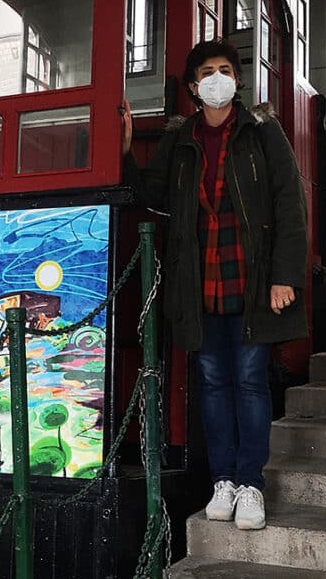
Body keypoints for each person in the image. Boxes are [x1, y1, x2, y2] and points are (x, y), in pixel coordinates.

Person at [121, 39, 307, 531]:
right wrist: (122, 151)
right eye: (208, 71)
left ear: (238, 80)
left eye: (226, 70)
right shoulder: (180, 140)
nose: (218, 78)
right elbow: (154, 198)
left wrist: (285, 277)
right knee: (212, 383)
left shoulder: (264, 132)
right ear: (193, 85)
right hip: (198, 283)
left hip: (253, 283)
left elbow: (290, 204)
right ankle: (222, 480)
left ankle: (251, 484)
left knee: (249, 381)